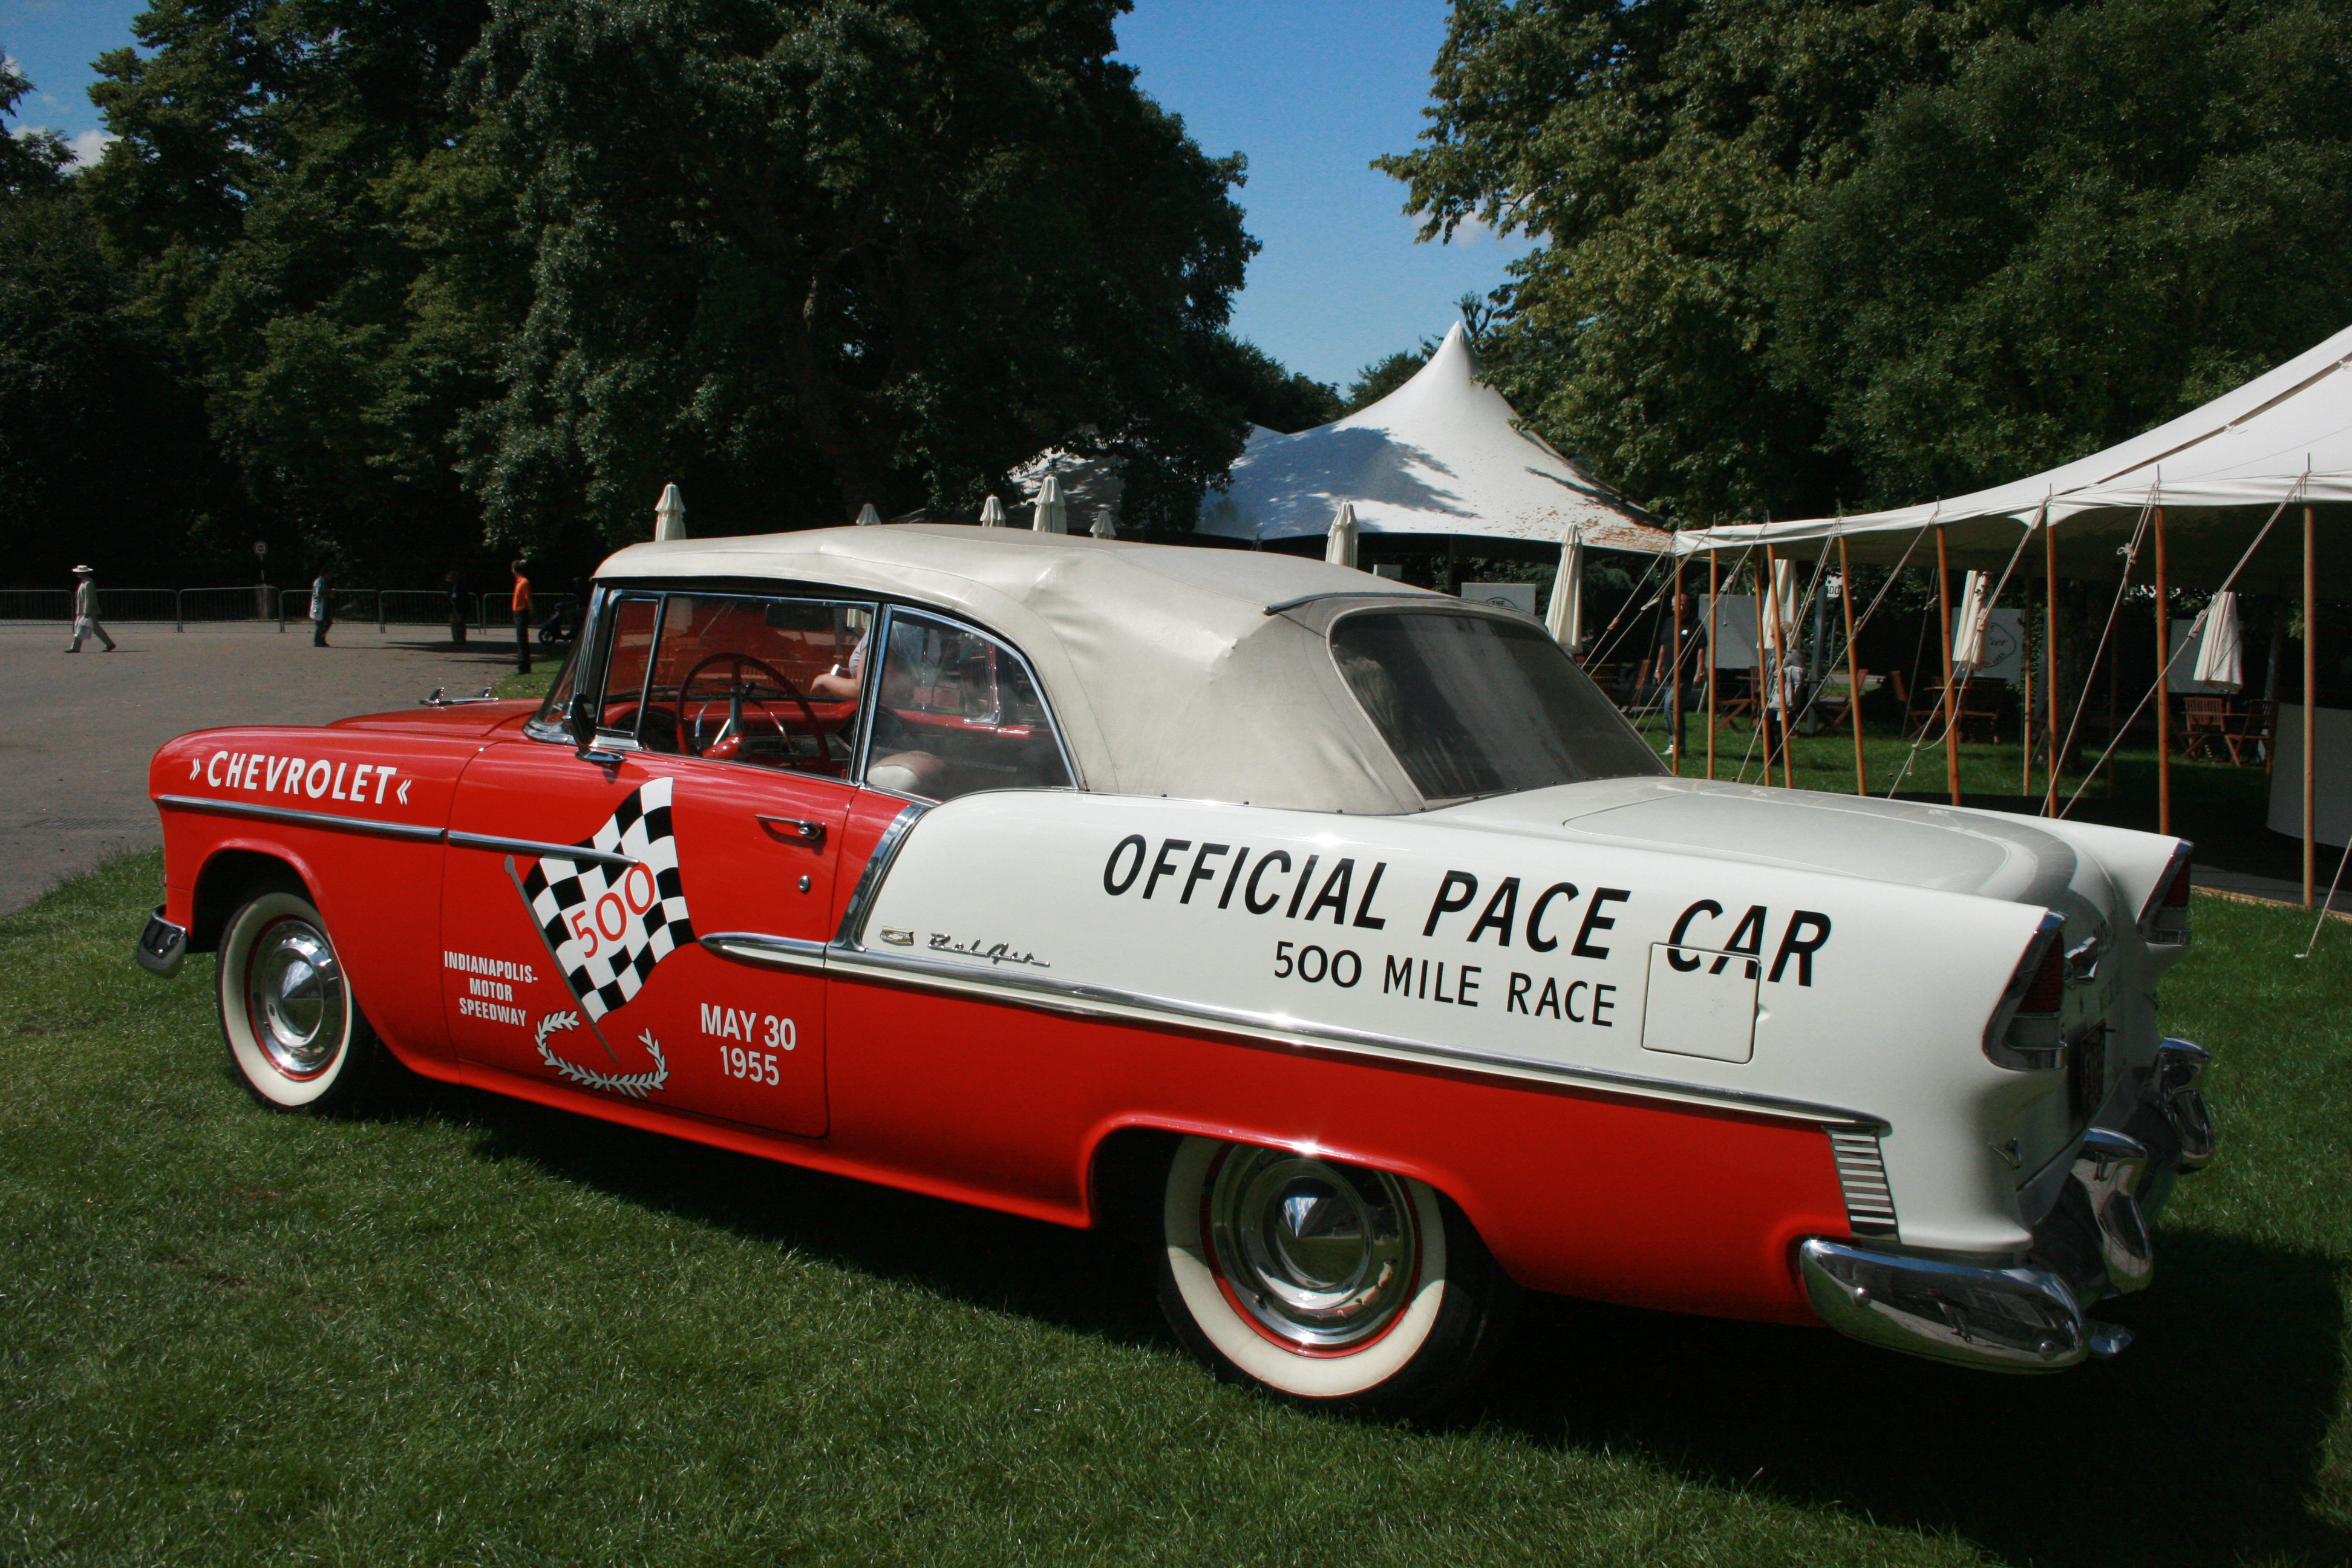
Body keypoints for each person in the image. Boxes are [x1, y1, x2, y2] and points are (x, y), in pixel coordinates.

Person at [65, 565, 115, 652]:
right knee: (95, 629)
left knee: (81, 628)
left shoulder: (88, 583)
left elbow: (89, 599)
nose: (77, 574)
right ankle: (110, 644)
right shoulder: (85, 582)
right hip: (85, 611)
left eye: (79, 573)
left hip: (88, 611)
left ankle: (75, 648)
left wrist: (86, 611)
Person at [509, 559, 532, 675]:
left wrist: (532, 613)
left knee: (522, 641)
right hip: (519, 613)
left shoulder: (524, 582)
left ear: (514, 570)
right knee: (521, 641)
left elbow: (528, 599)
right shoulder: (520, 582)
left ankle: (524, 667)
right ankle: (524, 666)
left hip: (522, 612)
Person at [310, 571, 333, 647]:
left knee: (327, 623)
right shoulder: (320, 581)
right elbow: (320, 593)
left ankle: (321, 639)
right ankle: (318, 640)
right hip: (320, 606)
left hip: (322, 605)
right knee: (321, 624)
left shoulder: (321, 581)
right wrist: (329, 593)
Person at [446, 569, 467, 646]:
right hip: (453, 606)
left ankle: (461, 639)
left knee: (460, 623)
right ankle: (456, 639)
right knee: (453, 624)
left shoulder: (461, 585)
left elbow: (464, 596)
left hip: (459, 606)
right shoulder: (451, 586)